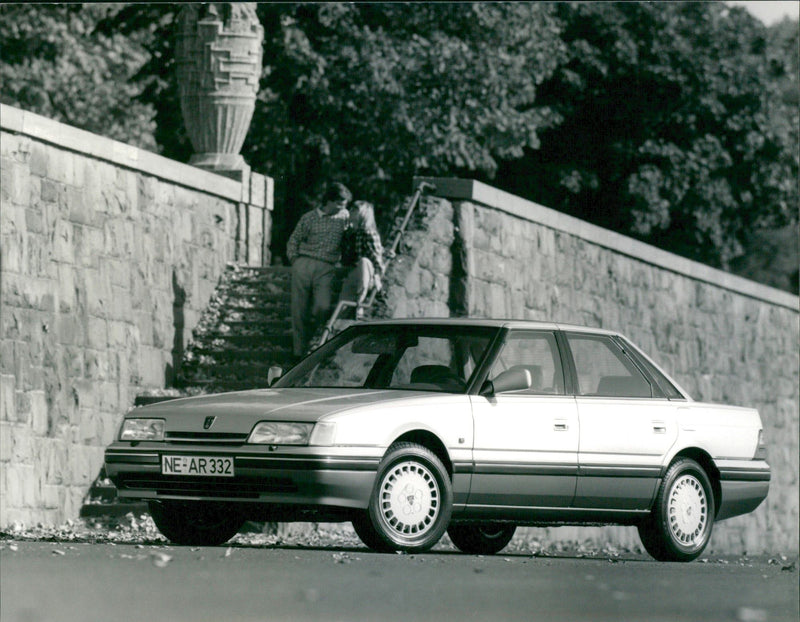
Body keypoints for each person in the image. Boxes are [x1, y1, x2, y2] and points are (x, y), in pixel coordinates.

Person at [287, 182, 352, 357]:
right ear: (328, 201)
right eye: (339, 204)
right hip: (304, 263)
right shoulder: (309, 218)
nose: (342, 208)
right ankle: (299, 351)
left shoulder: (345, 217)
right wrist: (295, 260)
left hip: (327, 267)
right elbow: (294, 240)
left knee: (322, 307)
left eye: (344, 205)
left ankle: (315, 341)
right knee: (299, 309)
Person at [338, 200, 385, 319]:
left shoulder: (369, 233)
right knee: (341, 308)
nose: (351, 211)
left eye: (355, 210)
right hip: (353, 271)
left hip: (368, 272)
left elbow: (377, 258)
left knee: (364, 262)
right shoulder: (351, 232)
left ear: (363, 214)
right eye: (351, 209)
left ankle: (360, 304)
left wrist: (377, 276)